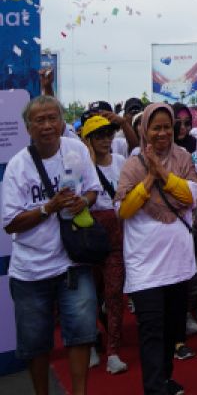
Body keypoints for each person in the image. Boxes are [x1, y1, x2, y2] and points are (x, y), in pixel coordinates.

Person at [3, 95, 101, 395]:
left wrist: (81, 201)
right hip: (30, 271)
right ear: (28, 128)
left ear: (61, 122)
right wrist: (49, 207)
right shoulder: (17, 167)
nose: (47, 126)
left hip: (72, 261)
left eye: (52, 118)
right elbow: (10, 222)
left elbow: (94, 190)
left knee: (81, 335)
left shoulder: (77, 151)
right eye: (39, 120)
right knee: (36, 345)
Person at [116, 102, 197, 395]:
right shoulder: (132, 165)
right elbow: (124, 210)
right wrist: (150, 178)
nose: (163, 133)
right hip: (146, 267)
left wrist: (164, 175)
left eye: (168, 127)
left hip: (178, 263)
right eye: (157, 127)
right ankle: (154, 388)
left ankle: (164, 378)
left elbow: (190, 196)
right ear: (145, 130)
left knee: (173, 329)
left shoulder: (183, 158)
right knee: (152, 330)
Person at [81, 112, 130, 375]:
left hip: (116, 235)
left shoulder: (121, 160)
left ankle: (113, 351)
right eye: (98, 135)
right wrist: (87, 159)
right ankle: (89, 344)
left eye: (108, 134)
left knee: (114, 295)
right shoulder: (81, 165)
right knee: (88, 297)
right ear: (87, 140)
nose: (105, 139)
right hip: (89, 237)